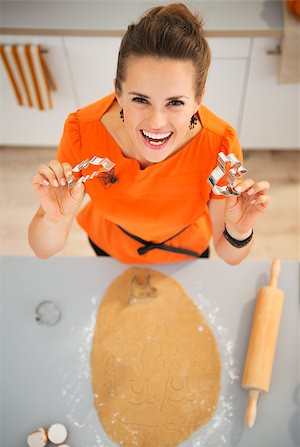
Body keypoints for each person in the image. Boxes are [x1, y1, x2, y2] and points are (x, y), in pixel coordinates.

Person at [28, 3, 270, 265]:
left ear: (198, 100)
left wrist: (239, 230)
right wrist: (55, 219)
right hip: (110, 245)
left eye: (175, 103)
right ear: (118, 93)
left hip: (185, 252)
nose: (156, 123)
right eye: (140, 100)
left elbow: (229, 255)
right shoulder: (82, 132)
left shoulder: (220, 146)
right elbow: (43, 250)